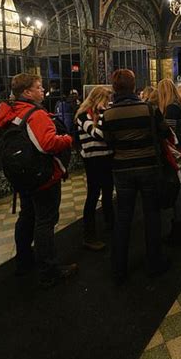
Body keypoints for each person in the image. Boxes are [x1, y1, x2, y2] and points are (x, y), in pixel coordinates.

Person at [0, 73, 76, 287]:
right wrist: (67, 139)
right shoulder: (36, 114)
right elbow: (48, 144)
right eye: (39, 87)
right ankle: (49, 270)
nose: (43, 90)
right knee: (45, 222)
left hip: (22, 175)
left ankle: (23, 262)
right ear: (27, 92)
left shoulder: (11, 112)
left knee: (27, 216)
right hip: (42, 177)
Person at [102, 69, 170, 284]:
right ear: (134, 86)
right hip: (148, 167)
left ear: (114, 88)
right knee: (151, 215)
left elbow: (108, 141)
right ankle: (154, 264)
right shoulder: (148, 109)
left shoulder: (108, 114)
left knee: (123, 218)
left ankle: (118, 269)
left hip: (122, 171)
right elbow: (165, 132)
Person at [75, 86, 114, 251]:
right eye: (105, 100)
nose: (108, 103)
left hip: (106, 158)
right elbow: (98, 134)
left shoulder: (99, 115)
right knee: (93, 195)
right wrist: (105, 114)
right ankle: (88, 235)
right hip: (93, 161)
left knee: (107, 192)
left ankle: (110, 224)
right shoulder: (83, 116)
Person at [158, 78, 181, 243]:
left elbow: (170, 134)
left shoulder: (171, 108)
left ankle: (178, 226)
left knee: (177, 189)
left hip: (177, 153)